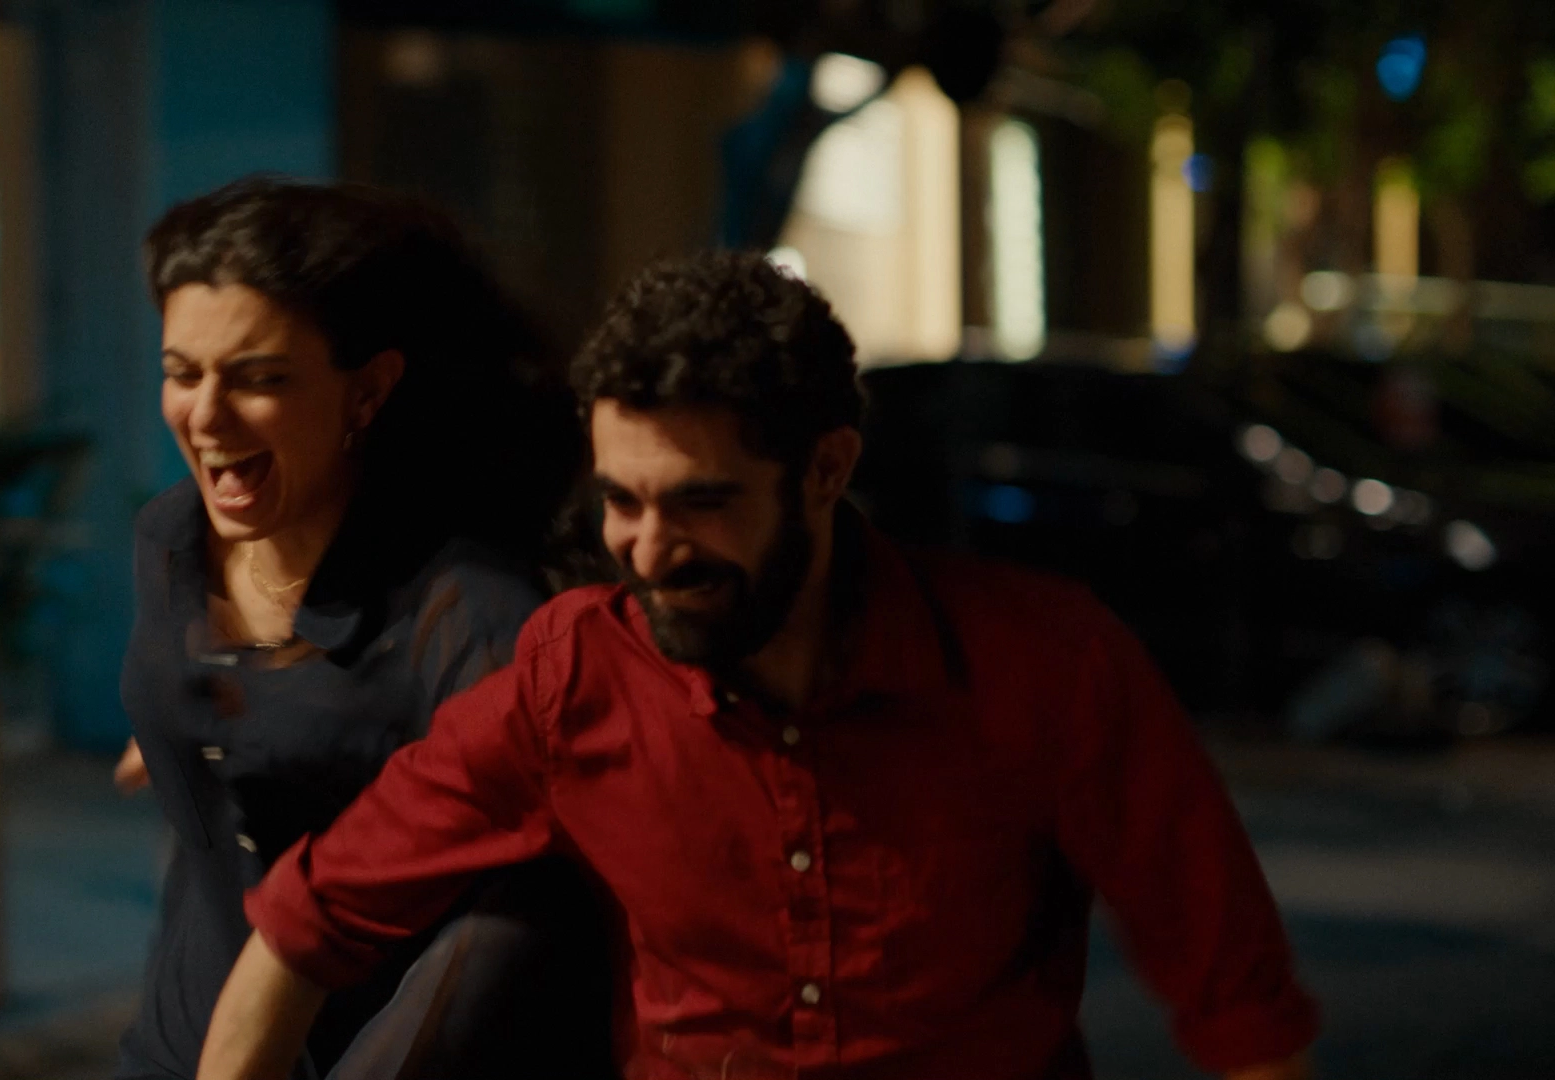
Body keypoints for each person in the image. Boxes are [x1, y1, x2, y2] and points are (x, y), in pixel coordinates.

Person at [196, 251, 1321, 1080]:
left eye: (702, 502)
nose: (649, 549)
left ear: (827, 470)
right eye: (623, 501)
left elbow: (1240, 1001)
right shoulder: (577, 674)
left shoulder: (1045, 663)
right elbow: (306, 925)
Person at [112, 177, 609, 1080]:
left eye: (258, 378)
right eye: (182, 373)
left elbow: (527, 911)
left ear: (369, 391)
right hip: (173, 1049)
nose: (206, 414)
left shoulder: (466, 611)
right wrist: (188, 725)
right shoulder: (170, 540)